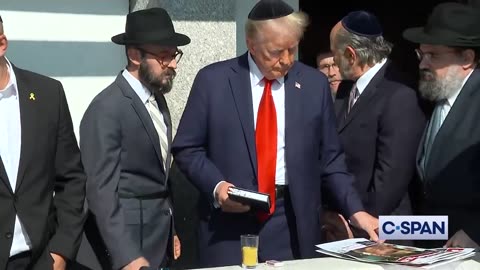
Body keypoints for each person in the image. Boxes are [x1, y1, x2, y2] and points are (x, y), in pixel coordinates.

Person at [172, 0, 379, 267]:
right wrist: (217, 187)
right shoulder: (214, 81)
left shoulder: (314, 85)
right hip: (228, 224)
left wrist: (356, 210)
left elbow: (330, 159)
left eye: (292, 49)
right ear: (251, 44)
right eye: (276, 52)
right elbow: (187, 148)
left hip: (291, 222)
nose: (286, 60)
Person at [80, 8, 189, 270]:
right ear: (134, 55)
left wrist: (170, 228)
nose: (173, 64)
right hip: (124, 250)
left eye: (174, 55)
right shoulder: (107, 108)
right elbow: (100, 192)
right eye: (163, 56)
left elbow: (157, 178)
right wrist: (126, 254)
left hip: (157, 241)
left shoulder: (158, 101)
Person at [325, 11, 426, 240]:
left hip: (382, 232)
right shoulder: (344, 91)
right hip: (345, 228)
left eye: (334, 53)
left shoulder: (399, 93)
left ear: (351, 55)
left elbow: (392, 174)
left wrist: (360, 218)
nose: (333, 61)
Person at [0, 15, 86, 269]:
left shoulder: (48, 94)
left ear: (1, 43)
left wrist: (60, 251)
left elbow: (72, 178)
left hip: (42, 258)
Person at [403, 2, 480, 248]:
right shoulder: (436, 98)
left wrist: (475, 232)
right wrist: (387, 228)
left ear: (466, 58)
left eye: (433, 55)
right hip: (434, 247)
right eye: (421, 54)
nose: (423, 64)